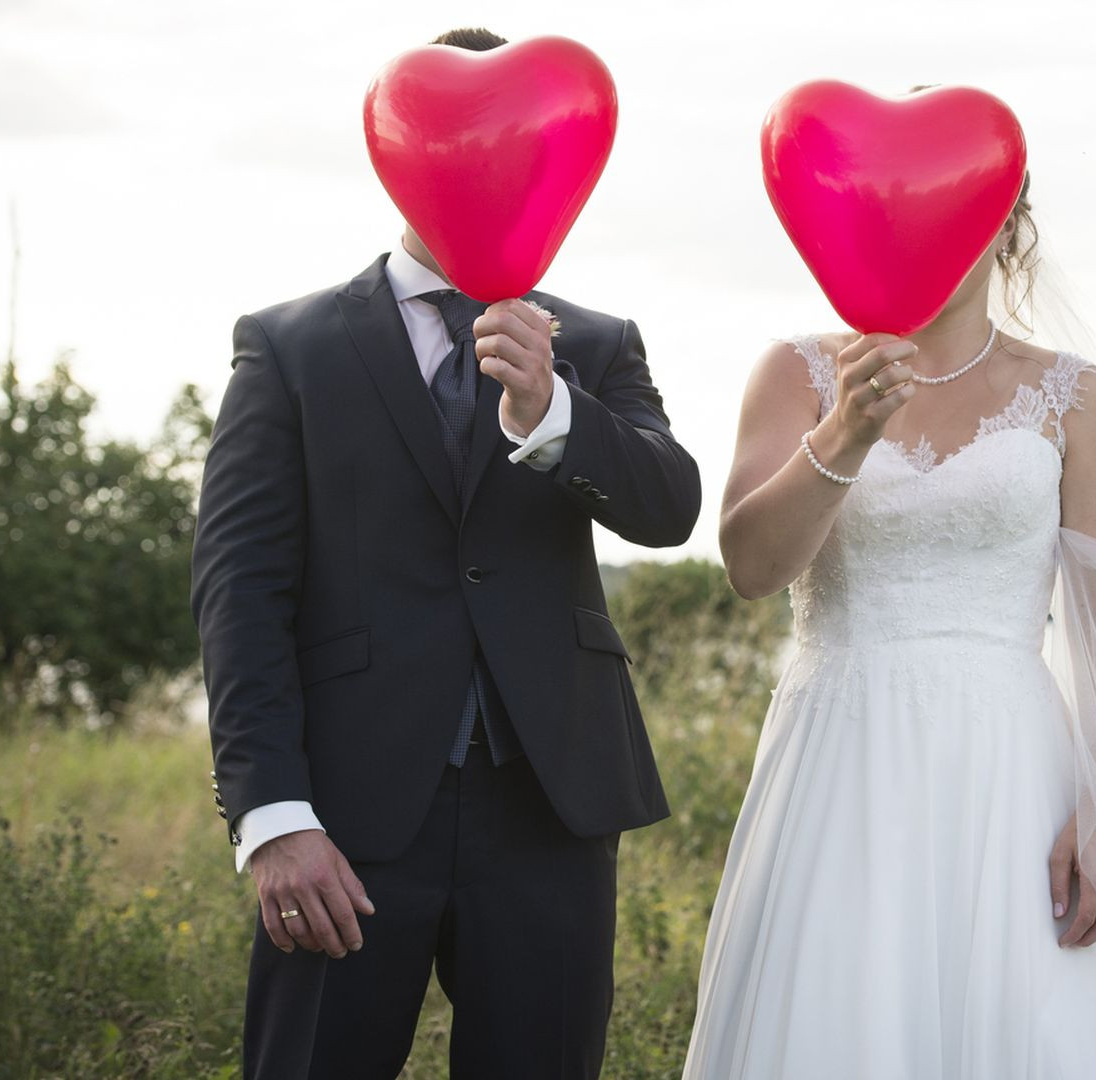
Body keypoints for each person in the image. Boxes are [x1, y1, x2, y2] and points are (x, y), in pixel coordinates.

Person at [190, 26, 701, 1078]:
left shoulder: (595, 344)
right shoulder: (290, 348)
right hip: (344, 811)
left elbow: (670, 507)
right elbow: (240, 589)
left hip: (550, 806)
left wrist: (553, 410)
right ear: (406, 152)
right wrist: (273, 815)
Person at [684, 164, 1096, 1077]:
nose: (931, 237)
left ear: (1009, 227)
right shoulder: (799, 372)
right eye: (905, 212)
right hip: (841, 751)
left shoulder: (1074, 394)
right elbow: (752, 568)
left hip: (1010, 763)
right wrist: (846, 432)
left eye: (959, 215)